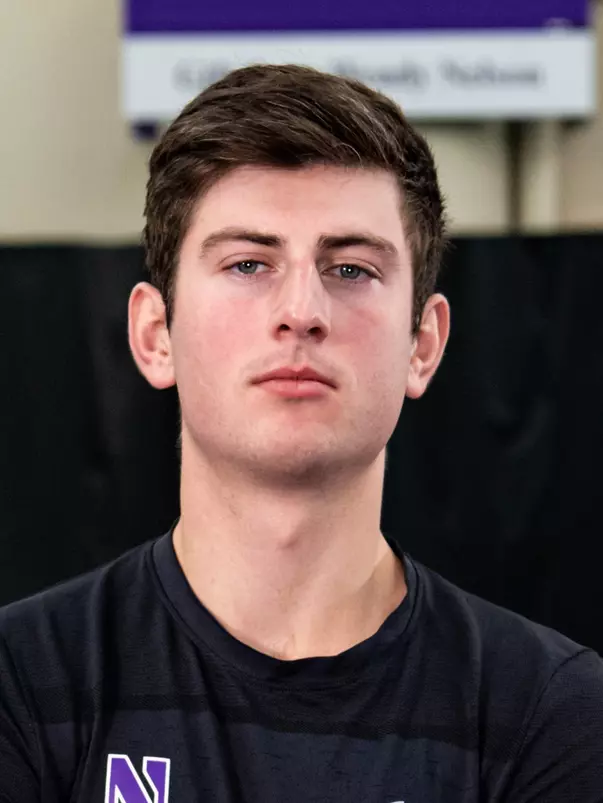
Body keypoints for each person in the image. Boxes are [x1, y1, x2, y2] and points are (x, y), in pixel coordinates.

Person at [1, 64, 602, 803]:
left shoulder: (552, 710)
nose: (300, 310)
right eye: (248, 262)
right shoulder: (22, 682)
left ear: (423, 343)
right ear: (155, 333)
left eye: (349, 268)